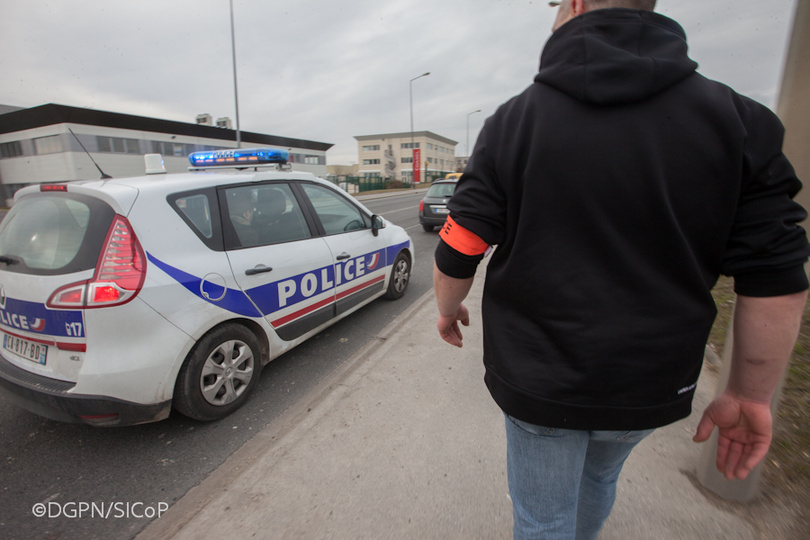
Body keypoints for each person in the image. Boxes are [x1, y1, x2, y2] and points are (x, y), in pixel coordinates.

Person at [432, 1, 809, 539]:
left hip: (541, 375)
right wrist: (750, 394)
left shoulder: (515, 121)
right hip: (651, 381)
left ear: (578, 5)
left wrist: (448, 311)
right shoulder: (739, 121)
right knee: (599, 478)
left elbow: (458, 248)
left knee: (543, 518)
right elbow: (776, 275)